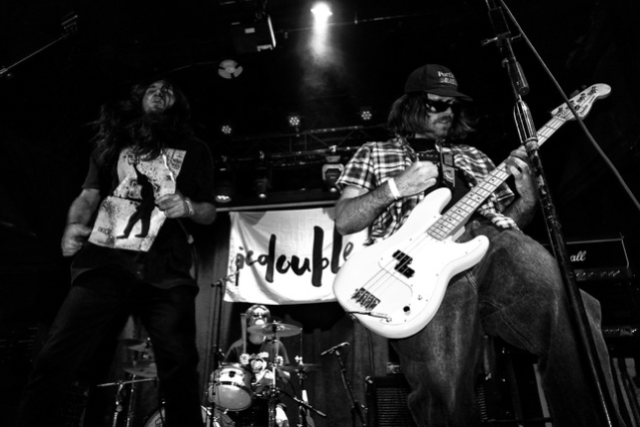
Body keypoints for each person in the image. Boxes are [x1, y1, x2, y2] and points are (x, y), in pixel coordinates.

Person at [334, 64, 625, 426]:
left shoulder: (473, 156)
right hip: (418, 269)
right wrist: (396, 187)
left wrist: (527, 198)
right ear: (410, 106)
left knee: (571, 312)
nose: (448, 112)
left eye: (453, 105)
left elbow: (511, 220)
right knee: (444, 385)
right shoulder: (374, 152)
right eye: (438, 104)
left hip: (490, 245)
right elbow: (345, 218)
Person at [15, 78, 217, 427]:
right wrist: (73, 225)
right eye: (153, 88)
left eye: (169, 90)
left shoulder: (195, 149)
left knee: (180, 370)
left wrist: (188, 206)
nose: (160, 92)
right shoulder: (113, 144)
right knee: (55, 357)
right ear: (139, 99)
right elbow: (88, 195)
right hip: (106, 263)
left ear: (179, 104)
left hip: (166, 271)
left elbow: (209, 212)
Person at [215, 304, 290, 427]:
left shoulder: (276, 346)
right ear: (248, 321)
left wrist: (279, 369)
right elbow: (224, 376)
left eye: (264, 315)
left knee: (281, 420)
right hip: (241, 401)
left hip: (269, 401)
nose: (260, 317)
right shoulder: (237, 347)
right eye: (255, 315)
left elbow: (286, 379)